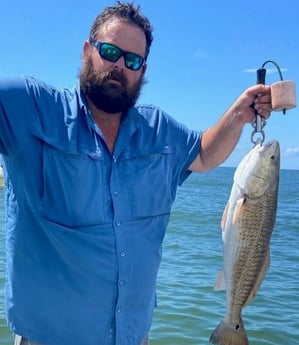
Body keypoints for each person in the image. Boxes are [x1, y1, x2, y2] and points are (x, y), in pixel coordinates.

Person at [0, 2, 272, 345]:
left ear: (143, 70)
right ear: (87, 50)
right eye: (110, 52)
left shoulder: (158, 130)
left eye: (132, 61)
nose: (119, 66)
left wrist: (238, 115)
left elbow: (203, 154)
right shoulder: (34, 108)